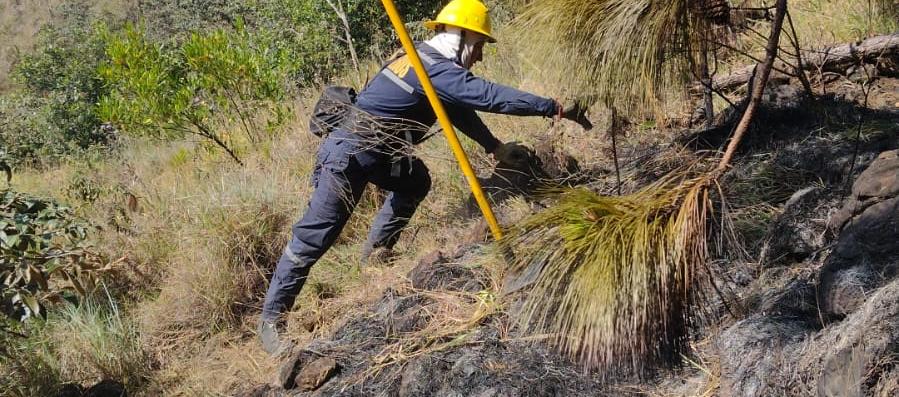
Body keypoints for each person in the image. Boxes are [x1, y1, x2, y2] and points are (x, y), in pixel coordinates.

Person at [259, 0, 591, 355]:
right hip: (347, 158)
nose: (478, 57)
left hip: (381, 154)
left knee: (415, 181)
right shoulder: (432, 68)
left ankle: (376, 255)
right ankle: (271, 321)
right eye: (478, 46)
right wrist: (551, 106)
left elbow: (454, 107)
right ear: (462, 37)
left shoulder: (421, 58)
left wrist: (493, 147)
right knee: (316, 235)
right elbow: (488, 97)